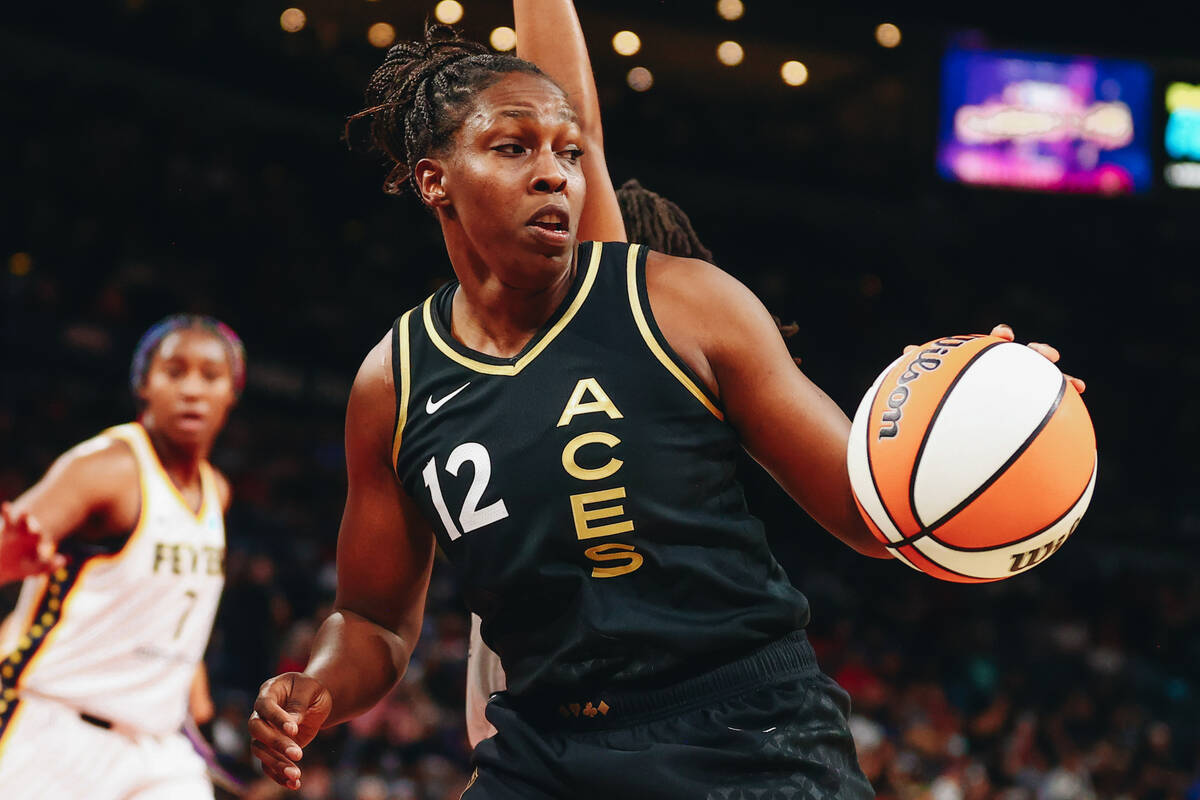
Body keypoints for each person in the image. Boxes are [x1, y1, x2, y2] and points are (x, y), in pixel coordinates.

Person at [249, 16, 1083, 799]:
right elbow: (372, 619)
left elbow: (874, 511)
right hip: (544, 749)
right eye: (513, 147)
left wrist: (988, 423)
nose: (553, 172)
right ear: (434, 179)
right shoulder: (391, 383)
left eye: (568, 152)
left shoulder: (685, 305)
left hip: (746, 729)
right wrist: (316, 684)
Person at [0, 314, 244, 800]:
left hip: (158, 750)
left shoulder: (216, 491)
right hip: (54, 727)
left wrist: (205, 720)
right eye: (175, 372)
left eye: (210, 376)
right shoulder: (105, 469)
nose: (192, 389)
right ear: (144, 386)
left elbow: (180, 614)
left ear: (231, 393)